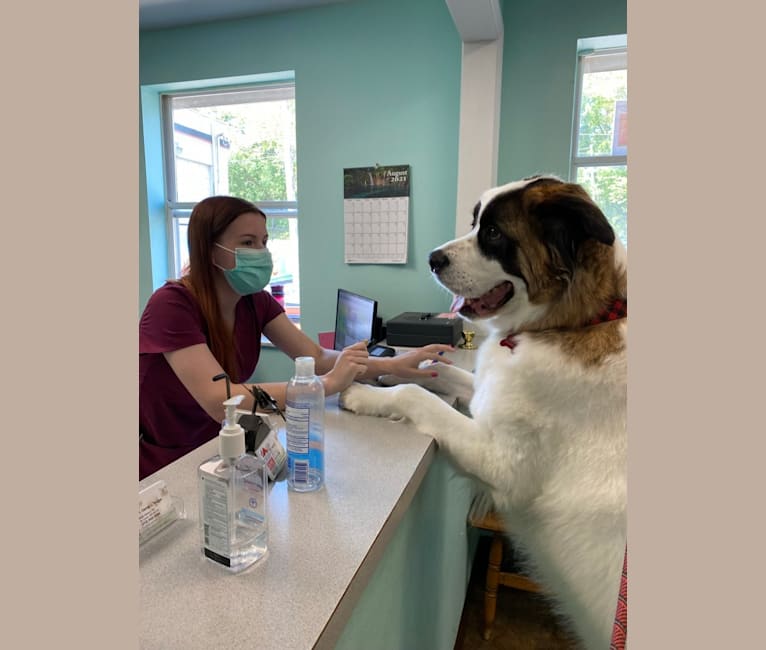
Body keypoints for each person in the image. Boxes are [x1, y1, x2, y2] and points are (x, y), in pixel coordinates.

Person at [139, 196, 452, 479]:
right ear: (211, 251)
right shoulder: (171, 305)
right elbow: (219, 400)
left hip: (223, 449)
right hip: (169, 462)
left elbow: (315, 358)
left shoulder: (253, 300)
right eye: (248, 242)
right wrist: (324, 386)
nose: (261, 253)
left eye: (264, 241)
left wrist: (392, 365)